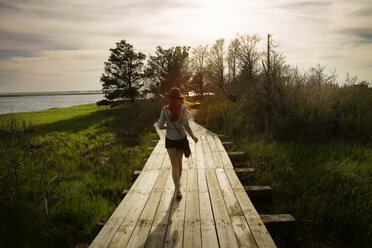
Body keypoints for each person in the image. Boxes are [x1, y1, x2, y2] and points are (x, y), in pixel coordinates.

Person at [158, 87, 198, 199]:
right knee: (179, 163)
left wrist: (168, 127)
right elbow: (186, 124)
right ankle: (178, 189)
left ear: (170, 97)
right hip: (181, 138)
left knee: (174, 165)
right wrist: (193, 136)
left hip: (170, 139)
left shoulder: (164, 109)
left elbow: (160, 126)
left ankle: (177, 189)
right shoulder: (184, 108)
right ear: (180, 97)